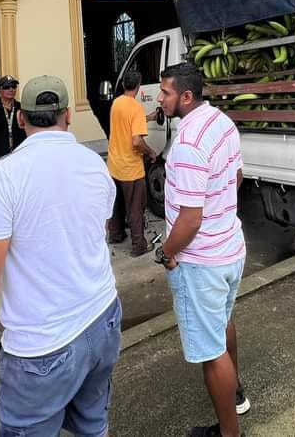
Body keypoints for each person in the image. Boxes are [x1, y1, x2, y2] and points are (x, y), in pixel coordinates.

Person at [0, 76, 122, 437]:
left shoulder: (5, 175)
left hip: (42, 344)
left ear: (21, 118)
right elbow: (95, 228)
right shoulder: (95, 163)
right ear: (68, 115)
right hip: (103, 317)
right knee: (93, 426)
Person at [154, 62, 249, 437]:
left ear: (186, 97)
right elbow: (236, 175)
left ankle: (229, 433)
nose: (159, 98)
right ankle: (235, 391)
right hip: (230, 248)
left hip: (201, 262)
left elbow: (190, 221)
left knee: (211, 351)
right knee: (223, 324)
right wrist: (220, 213)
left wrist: (166, 252)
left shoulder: (189, 144)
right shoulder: (222, 122)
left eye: (165, 93)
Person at [106, 70, 156, 255]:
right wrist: (150, 152)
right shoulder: (135, 107)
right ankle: (138, 246)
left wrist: (149, 118)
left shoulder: (117, 103)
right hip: (130, 169)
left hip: (114, 165)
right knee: (135, 208)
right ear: (138, 85)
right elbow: (136, 141)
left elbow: (126, 122)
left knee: (117, 204)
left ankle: (115, 235)